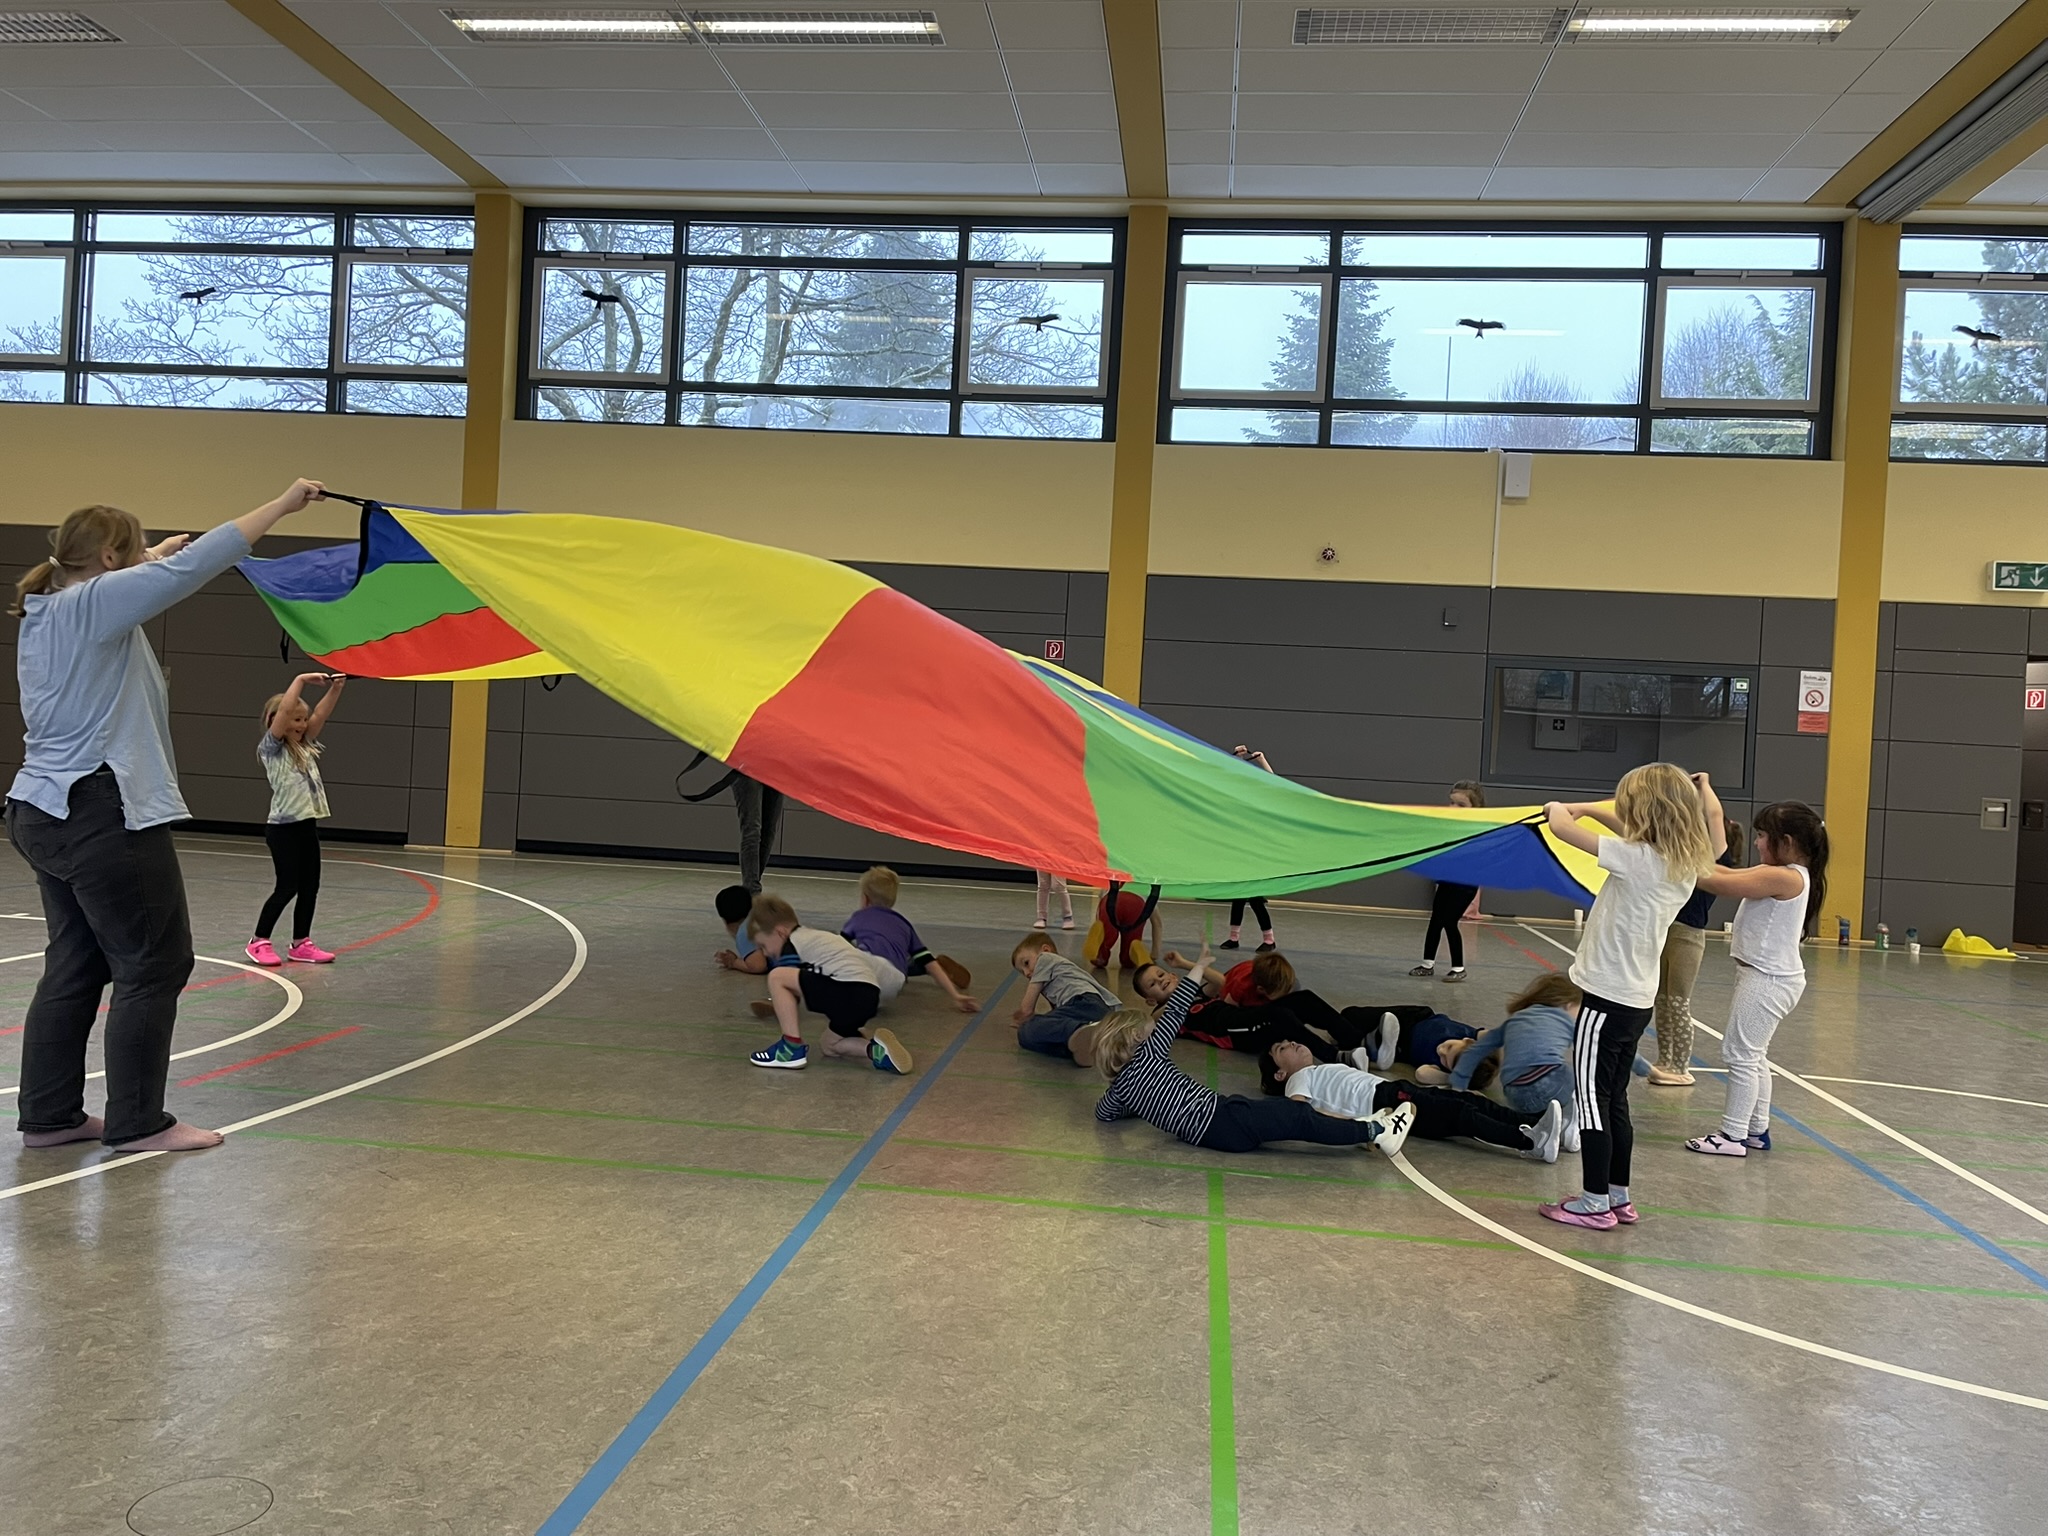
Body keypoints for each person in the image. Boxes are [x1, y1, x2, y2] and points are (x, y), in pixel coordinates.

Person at [8, 478, 327, 1154]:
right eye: (136, 553)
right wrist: (283, 503)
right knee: (154, 963)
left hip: (40, 808)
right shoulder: (96, 602)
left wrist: (151, 555)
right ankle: (137, 1121)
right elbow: (197, 563)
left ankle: (50, 1117)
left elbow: (135, 576)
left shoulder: (51, 606)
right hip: (101, 809)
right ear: (110, 560)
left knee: (75, 964)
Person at [1535, 764, 1714, 1230]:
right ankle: (1618, 1196)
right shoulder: (1679, 864)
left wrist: (1558, 809)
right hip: (1635, 1001)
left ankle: (1594, 1201)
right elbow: (1624, 830)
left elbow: (1562, 829)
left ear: (1647, 812)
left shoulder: (1636, 859)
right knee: (1614, 1099)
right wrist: (1590, 809)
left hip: (1605, 998)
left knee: (1592, 1100)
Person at [1093, 943, 1415, 1156]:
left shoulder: (1122, 1086)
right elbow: (1176, 1010)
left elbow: (1104, 1113)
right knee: (1299, 1118)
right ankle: (1376, 1130)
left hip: (1222, 1120)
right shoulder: (1150, 1052)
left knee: (1297, 1115)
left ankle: (1361, 1121)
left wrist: (1140, 1103)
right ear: (1134, 1038)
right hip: (1223, 1118)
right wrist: (1197, 966)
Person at [1685, 799, 1826, 1159]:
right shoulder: (1783, 872)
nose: (1758, 843)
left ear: (1787, 842)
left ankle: (1732, 1134)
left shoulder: (1785, 876)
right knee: (1753, 1054)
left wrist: (1671, 858)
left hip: (1768, 979)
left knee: (1740, 1054)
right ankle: (1756, 1130)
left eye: (1763, 836)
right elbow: (1724, 873)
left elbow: (1718, 882)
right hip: (1766, 977)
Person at [1267, 1039, 1563, 1162]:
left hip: (1393, 1090)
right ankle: (1531, 1142)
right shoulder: (1297, 1080)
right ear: (1280, 1073)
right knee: (1461, 1114)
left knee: (1469, 1102)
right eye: (1282, 1049)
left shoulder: (1319, 1070)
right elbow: (1300, 1113)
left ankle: (1537, 1122)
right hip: (1385, 1103)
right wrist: (1354, 1125)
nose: (1290, 1043)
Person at [744, 893, 910, 1075]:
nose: (765, 953)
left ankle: (790, 1048)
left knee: (776, 977)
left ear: (780, 933)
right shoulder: (819, 938)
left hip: (850, 991)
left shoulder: (792, 943)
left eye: (763, 945)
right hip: (868, 997)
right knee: (829, 1046)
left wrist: (775, 1003)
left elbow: (788, 985)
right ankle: (877, 1052)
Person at [245, 670, 345, 967]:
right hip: (283, 830)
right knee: (287, 886)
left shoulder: (304, 745)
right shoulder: (272, 749)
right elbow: (286, 709)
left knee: (310, 886)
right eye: (295, 719)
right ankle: (258, 941)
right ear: (276, 720)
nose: (302, 724)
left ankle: (301, 943)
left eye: (303, 719)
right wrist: (300, 681)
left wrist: (336, 688)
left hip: (306, 826)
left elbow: (321, 714)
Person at [1646, 794, 1741, 1087]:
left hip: (1688, 937)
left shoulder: (1717, 864)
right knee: (1661, 1001)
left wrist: (1706, 787)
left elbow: (1714, 816)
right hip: (1666, 932)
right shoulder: (1687, 860)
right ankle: (1664, 1060)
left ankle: (1681, 1066)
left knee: (1678, 1002)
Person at [1444, 972, 1581, 1153]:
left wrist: (1458, 1084)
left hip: (1515, 1094)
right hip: (1549, 1085)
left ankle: (1552, 1127)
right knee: (1579, 1076)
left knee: (1541, 1108)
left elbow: (1476, 1050)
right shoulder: (1568, 1022)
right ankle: (1573, 1125)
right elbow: (1599, 1051)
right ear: (1568, 1004)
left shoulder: (1515, 1019)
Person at [840, 865, 976, 1013]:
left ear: (865, 899)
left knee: (843, 953)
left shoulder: (859, 917)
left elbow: (838, 946)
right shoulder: (904, 924)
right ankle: (926, 968)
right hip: (896, 982)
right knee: (904, 959)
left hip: (869, 974)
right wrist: (956, 995)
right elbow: (928, 960)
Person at [1410, 780, 1487, 983]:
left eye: (1461, 805)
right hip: (1447, 881)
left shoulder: (1478, 830)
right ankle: (1427, 964)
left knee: (1449, 922)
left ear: (1475, 808)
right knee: (1436, 921)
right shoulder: (1450, 827)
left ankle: (1458, 967)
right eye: (1452, 802)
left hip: (1465, 885)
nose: (1454, 807)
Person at [1010, 932, 1119, 1063]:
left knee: (1026, 1030)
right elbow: (1057, 1014)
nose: (1027, 973)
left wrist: (1022, 1018)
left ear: (1045, 950)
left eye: (1026, 963)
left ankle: (1080, 1030)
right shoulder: (1057, 973)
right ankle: (1084, 1046)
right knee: (1033, 1037)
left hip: (1083, 1003)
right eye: (1022, 972)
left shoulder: (1045, 959)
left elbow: (1027, 1010)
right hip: (1100, 1013)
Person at [1223, 745, 1279, 951]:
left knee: (1255, 899)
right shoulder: (1241, 804)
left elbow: (1275, 784)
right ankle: (1234, 938)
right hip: (1242, 855)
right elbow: (1230, 777)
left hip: (1256, 857)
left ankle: (1269, 940)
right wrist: (1237, 757)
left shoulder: (1263, 807)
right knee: (1238, 897)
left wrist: (1261, 760)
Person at [1085, 885, 1163, 972]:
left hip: (1112, 900)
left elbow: (1100, 907)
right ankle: (1134, 950)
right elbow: (1157, 923)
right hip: (1137, 904)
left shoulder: (1115, 879)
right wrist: (1155, 953)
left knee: (1106, 935)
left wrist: (1099, 922)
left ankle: (1100, 952)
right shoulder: (1148, 887)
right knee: (1129, 955)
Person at [732, 772, 783, 894]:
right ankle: (752, 890)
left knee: (768, 832)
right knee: (752, 830)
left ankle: (751, 885)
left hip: (776, 771)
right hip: (747, 770)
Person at [713, 883, 768, 974]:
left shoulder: (744, 932)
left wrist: (734, 962)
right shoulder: (759, 918)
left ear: (726, 922)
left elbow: (758, 966)